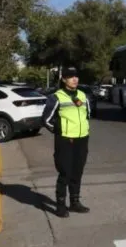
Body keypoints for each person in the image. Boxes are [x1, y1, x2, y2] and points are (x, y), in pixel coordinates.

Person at [41, 66, 91, 217]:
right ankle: (60, 205)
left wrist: (85, 130)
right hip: (65, 141)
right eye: (70, 76)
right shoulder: (56, 97)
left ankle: (75, 202)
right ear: (64, 79)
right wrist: (60, 132)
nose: (75, 79)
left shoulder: (83, 96)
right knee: (65, 173)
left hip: (82, 139)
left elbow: (87, 115)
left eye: (76, 76)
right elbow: (46, 120)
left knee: (78, 172)